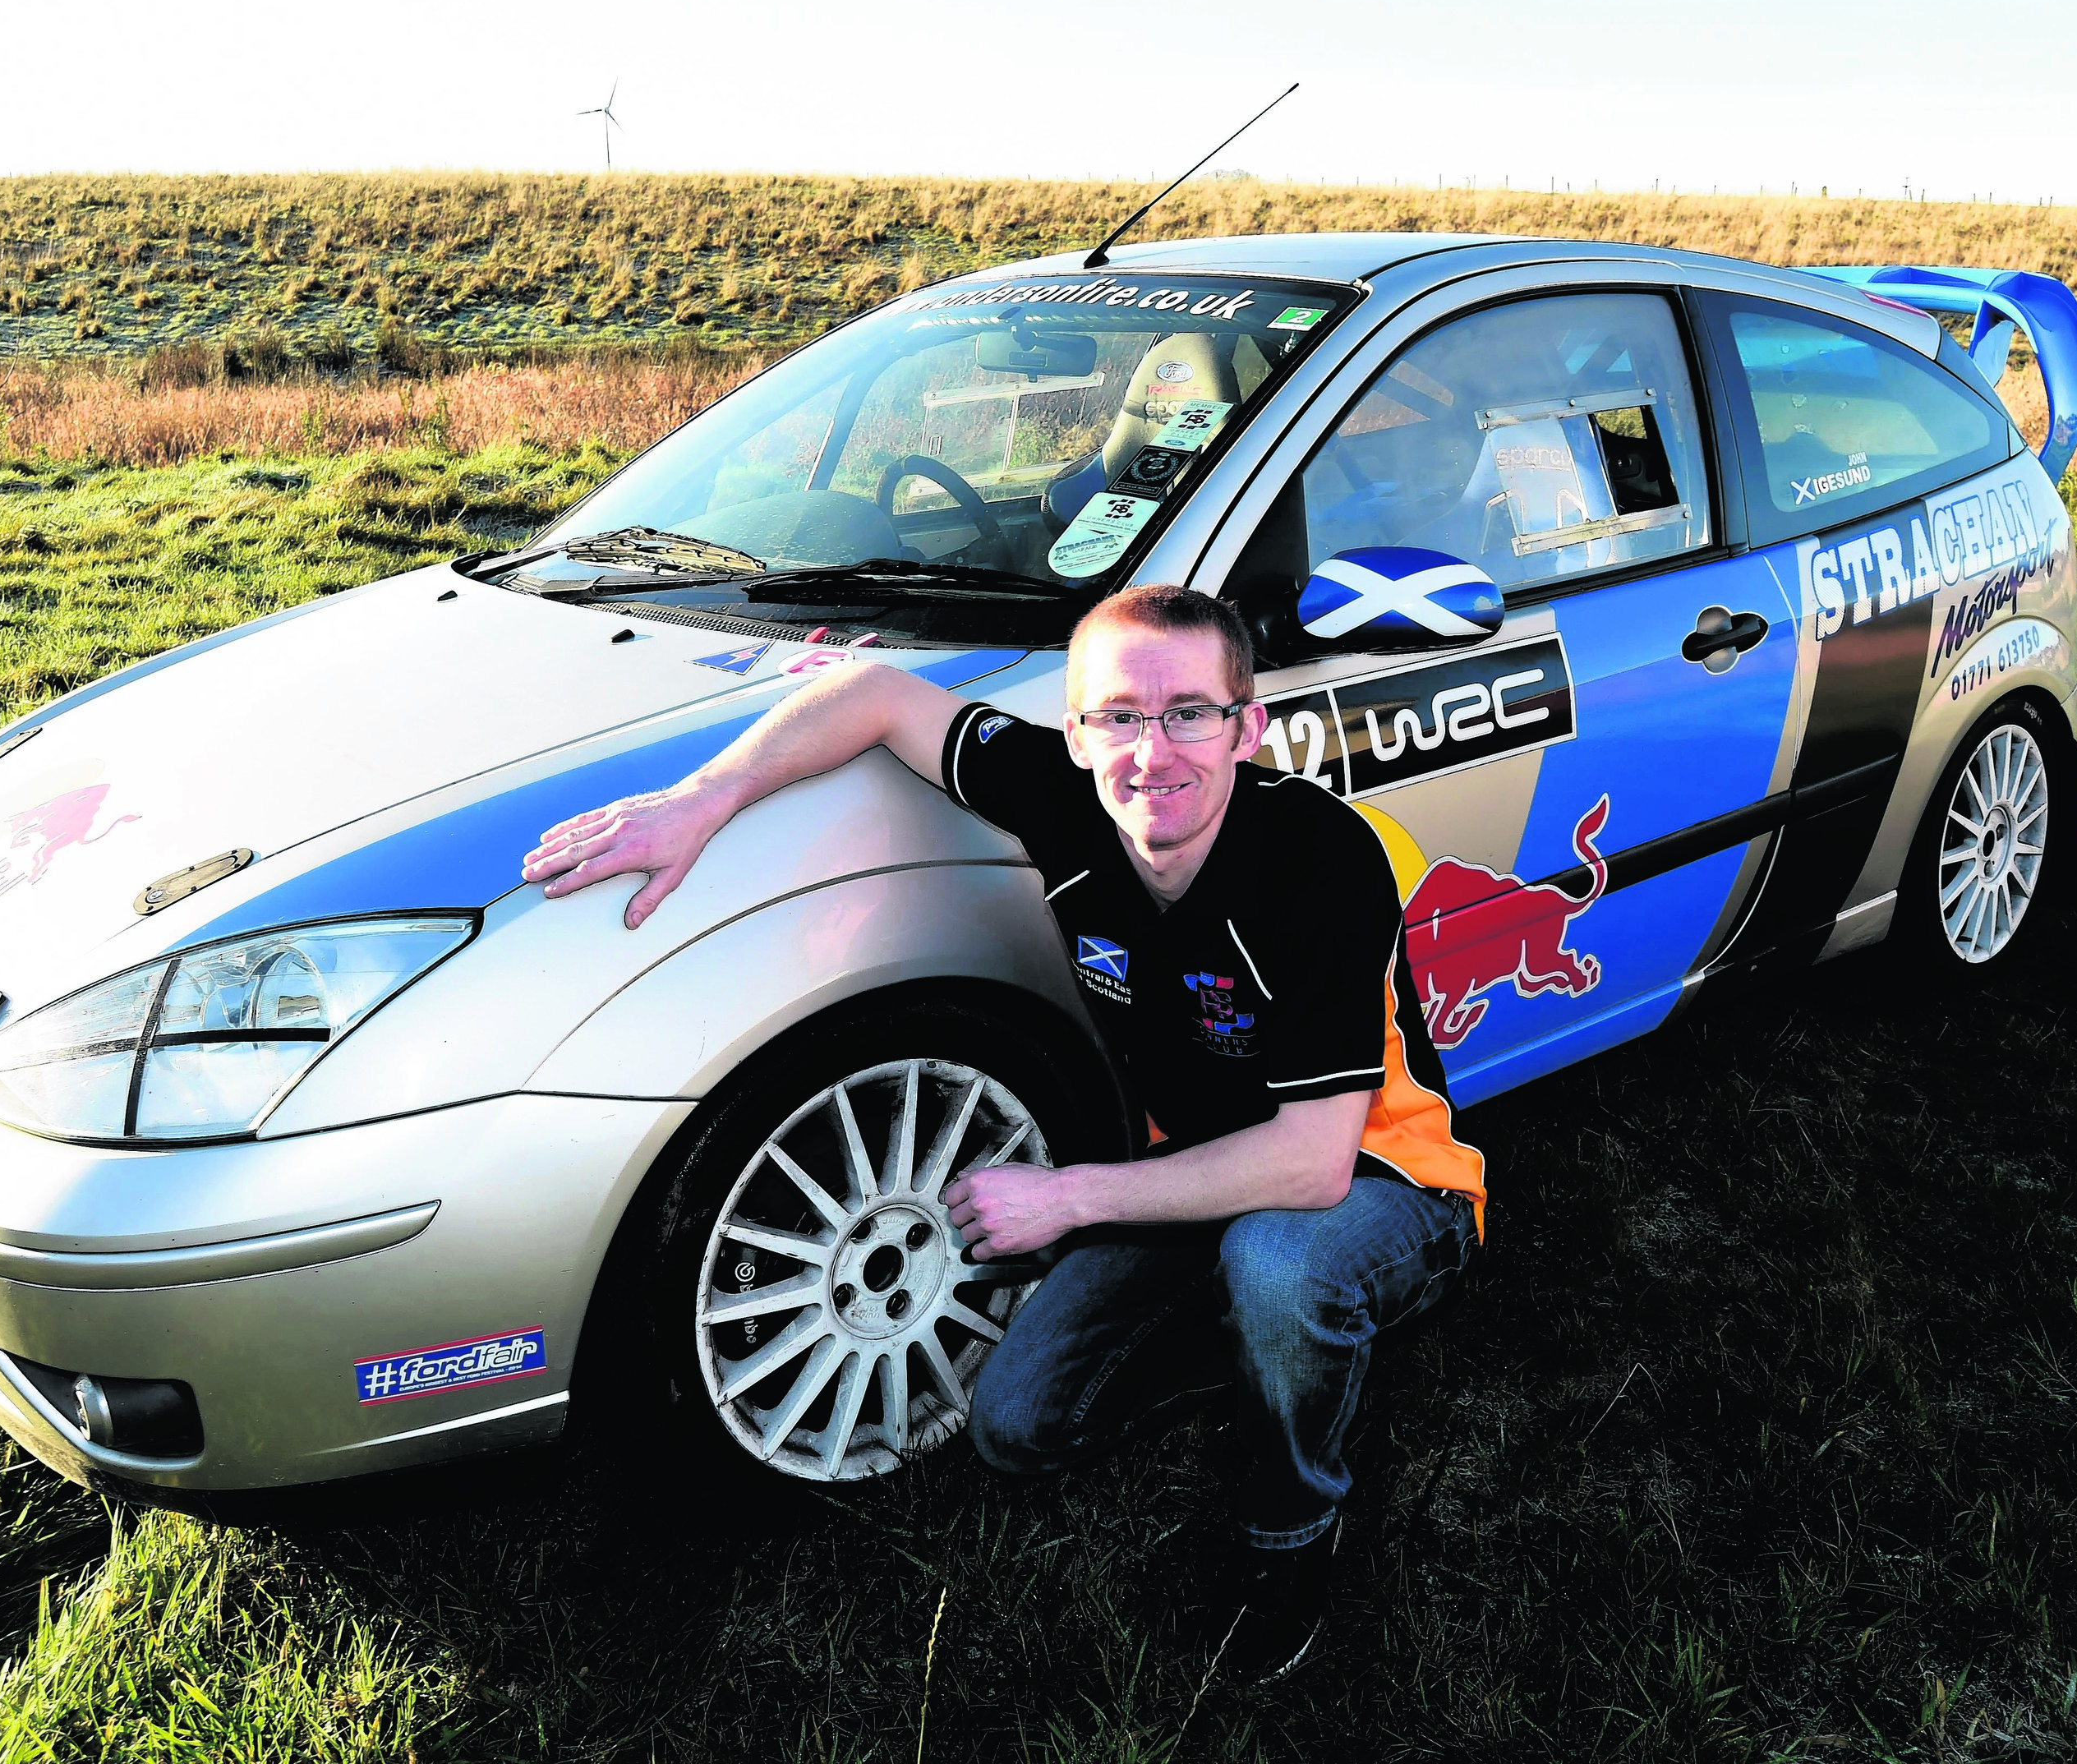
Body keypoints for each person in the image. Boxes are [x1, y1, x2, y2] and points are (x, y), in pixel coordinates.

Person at [521, 586, 1483, 1683]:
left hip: (1380, 1178)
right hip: (1195, 1177)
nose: (1151, 750)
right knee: (1017, 1428)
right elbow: (875, 693)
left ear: (1246, 727)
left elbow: (1310, 1162)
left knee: (1278, 1261)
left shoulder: (1318, 856)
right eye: (1118, 715)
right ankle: (1275, 1354)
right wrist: (702, 801)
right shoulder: (1065, 799)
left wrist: (1070, 1197)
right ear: (1074, 734)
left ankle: (1291, 1532)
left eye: (1190, 714)